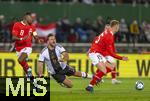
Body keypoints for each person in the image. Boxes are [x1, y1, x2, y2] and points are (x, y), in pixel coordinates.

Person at [85, 20, 128, 92]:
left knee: (111, 67)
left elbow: (96, 39)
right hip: (95, 53)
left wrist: (89, 49)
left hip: (98, 53)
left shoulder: (107, 32)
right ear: (116, 27)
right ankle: (92, 83)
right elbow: (111, 53)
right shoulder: (109, 35)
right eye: (118, 27)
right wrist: (121, 58)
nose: (118, 28)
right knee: (104, 70)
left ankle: (95, 80)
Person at [12, 12, 43, 79]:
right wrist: (22, 38)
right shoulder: (17, 24)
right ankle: (34, 83)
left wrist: (38, 40)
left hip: (27, 47)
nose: (32, 19)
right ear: (26, 17)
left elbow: (35, 35)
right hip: (18, 48)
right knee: (25, 66)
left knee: (20, 60)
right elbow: (13, 37)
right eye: (31, 18)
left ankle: (29, 70)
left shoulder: (32, 26)